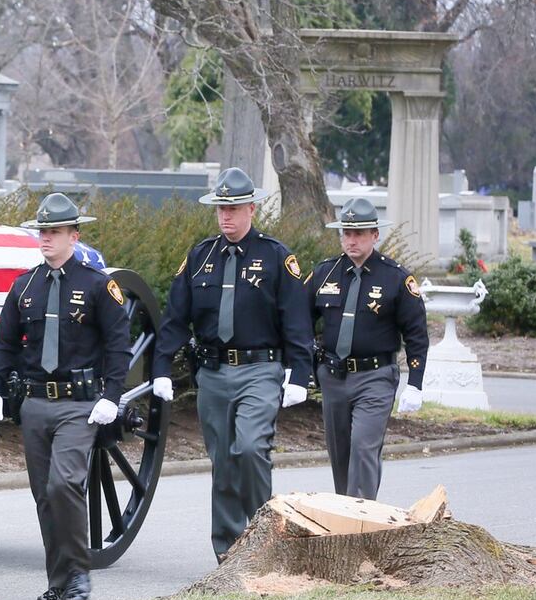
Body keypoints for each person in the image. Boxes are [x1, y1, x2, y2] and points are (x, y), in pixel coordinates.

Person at [153, 166, 314, 562]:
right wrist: (159, 366)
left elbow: (296, 320)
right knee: (223, 462)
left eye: (234, 208)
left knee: (249, 448)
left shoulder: (276, 257)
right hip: (213, 372)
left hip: (260, 369)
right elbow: (176, 317)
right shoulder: (200, 256)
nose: (226, 216)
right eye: (221, 209)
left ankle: (267, 538)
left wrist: (300, 374)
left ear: (252, 209)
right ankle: (227, 553)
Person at [0, 193, 129, 600]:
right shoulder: (24, 285)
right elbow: (4, 343)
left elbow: (120, 346)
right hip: (35, 404)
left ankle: (79, 573)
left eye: (54, 232)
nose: (45, 238)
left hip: (79, 405)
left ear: (74, 235)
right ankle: (59, 582)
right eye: (42, 231)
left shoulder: (98, 285)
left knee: (65, 484)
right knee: (45, 496)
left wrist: (112, 397)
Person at [308, 196, 429, 500]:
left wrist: (415, 384)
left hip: (375, 377)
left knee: (363, 446)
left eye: (359, 233)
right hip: (334, 376)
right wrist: (301, 364)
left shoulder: (395, 277)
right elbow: (299, 320)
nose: (352, 240)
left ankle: (360, 521)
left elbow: (416, 333)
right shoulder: (325, 273)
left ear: (375, 235)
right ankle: (346, 513)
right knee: (340, 452)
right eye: (346, 233)